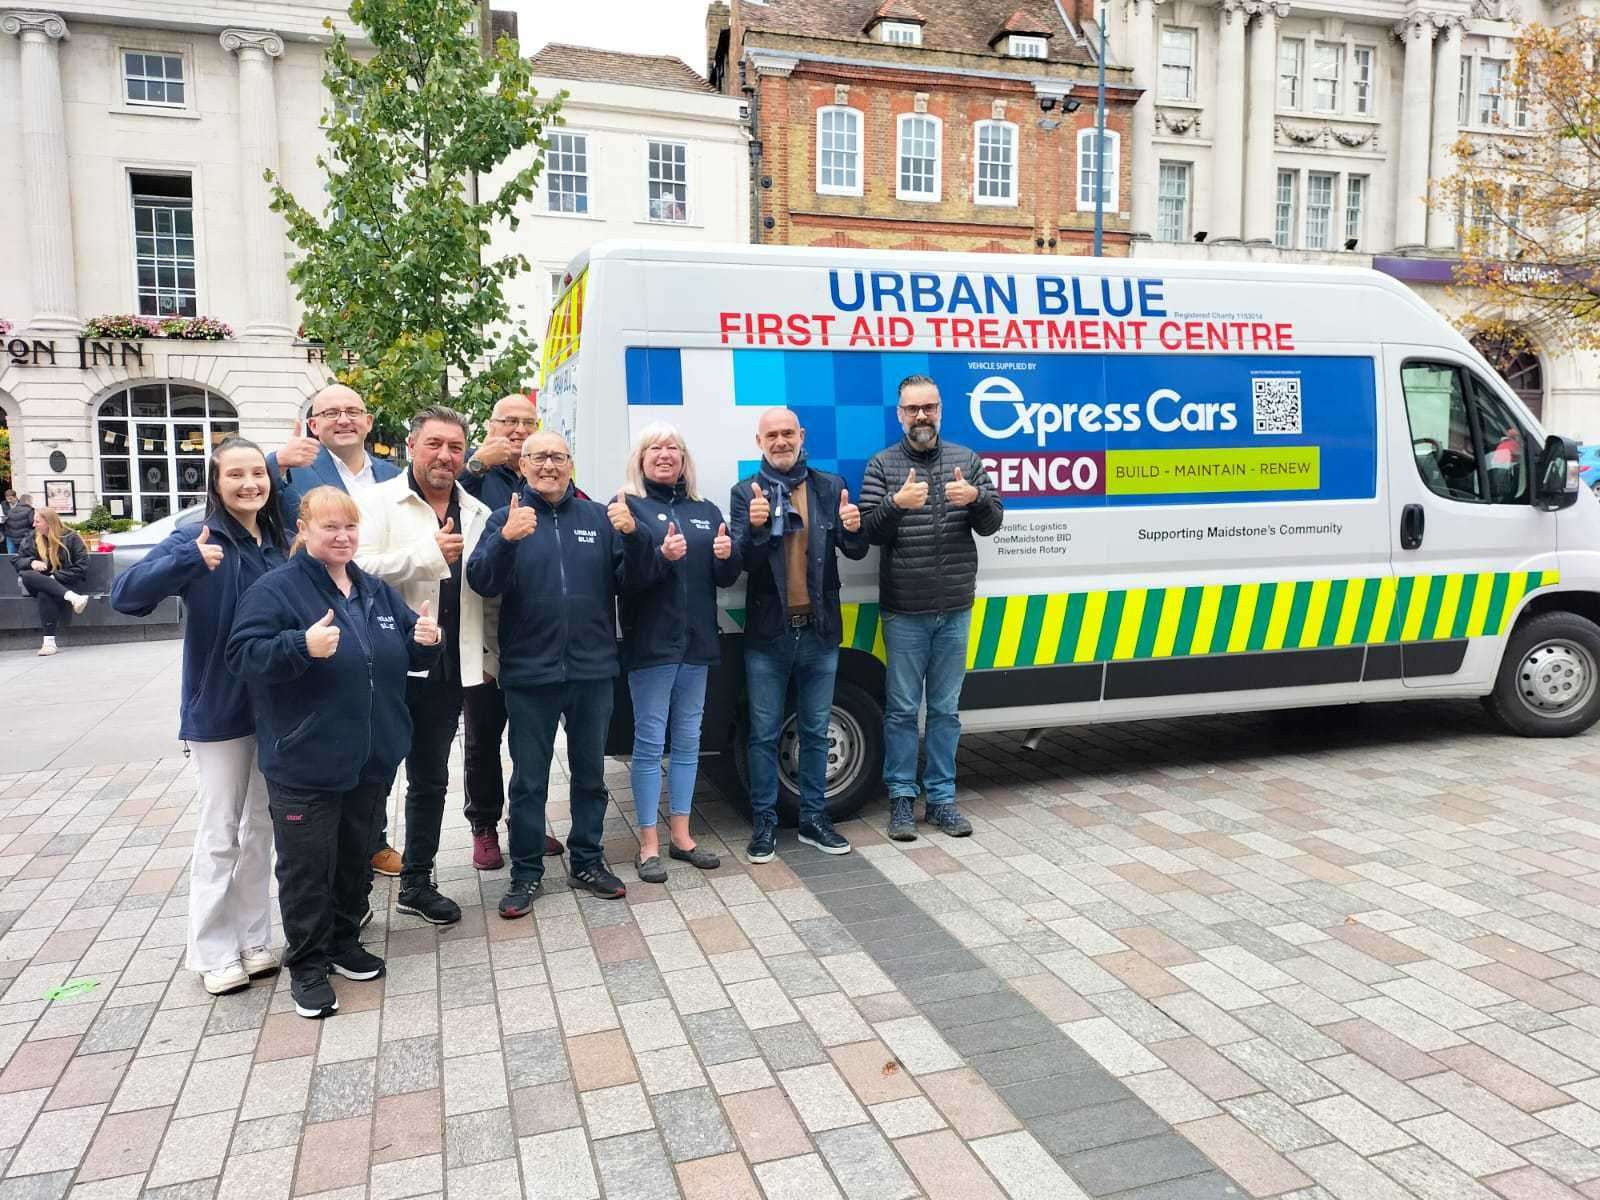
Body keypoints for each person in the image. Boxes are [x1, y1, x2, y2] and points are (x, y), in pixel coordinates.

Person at [227, 486, 440, 1019]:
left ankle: (344, 941)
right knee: (307, 869)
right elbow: (243, 656)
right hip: (307, 759)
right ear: (304, 529)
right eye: (330, 527)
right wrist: (301, 645)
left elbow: (395, 651)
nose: (342, 536)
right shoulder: (275, 590)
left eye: (349, 526)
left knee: (354, 860)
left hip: (371, 756)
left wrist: (424, 639)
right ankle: (307, 964)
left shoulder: (372, 588)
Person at [111, 438, 289, 995]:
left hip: (280, 705)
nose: (248, 484)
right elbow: (125, 596)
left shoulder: (280, 542)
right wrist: (188, 562)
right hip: (219, 708)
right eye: (234, 474)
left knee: (262, 828)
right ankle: (212, 950)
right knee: (220, 833)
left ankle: (255, 938)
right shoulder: (195, 537)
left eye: (257, 474)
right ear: (215, 484)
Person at [466, 430, 660, 917]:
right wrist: (506, 541)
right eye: (538, 457)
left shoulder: (598, 517)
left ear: (570, 463)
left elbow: (635, 581)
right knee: (529, 781)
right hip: (530, 673)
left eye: (557, 456)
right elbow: (481, 580)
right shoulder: (503, 518)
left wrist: (635, 537)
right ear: (524, 465)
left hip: (592, 670)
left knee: (590, 776)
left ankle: (588, 861)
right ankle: (527, 872)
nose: (548, 465)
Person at [355, 407, 497, 925]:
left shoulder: (476, 511)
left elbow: (482, 596)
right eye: (434, 444)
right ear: (410, 446)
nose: (445, 456)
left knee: (431, 778)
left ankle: (418, 880)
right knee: (370, 780)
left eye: (456, 447)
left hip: (447, 667)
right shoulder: (376, 503)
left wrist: (487, 658)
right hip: (385, 666)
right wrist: (426, 553)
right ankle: (352, 892)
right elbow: (355, 567)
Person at [859, 375, 1003, 841]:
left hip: (955, 608)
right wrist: (896, 505)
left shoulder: (967, 460)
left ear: (940, 410)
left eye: (929, 407)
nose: (921, 416)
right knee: (901, 710)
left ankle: (941, 800)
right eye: (912, 409)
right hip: (904, 611)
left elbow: (993, 523)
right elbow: (865, 535)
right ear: (899, 414)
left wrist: (977, 498)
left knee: (945, 711)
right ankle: (902, 800)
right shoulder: (882, 465)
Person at [268, 383, 404, 876]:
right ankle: (343, 848)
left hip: (387, 611)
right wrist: (272, 460)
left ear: (368, 421)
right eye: (331, 412)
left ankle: (374, 838)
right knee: (338, 732)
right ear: (314, 425)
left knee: (381, 733)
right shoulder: (295, 472)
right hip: (323, 616)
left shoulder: (391, 473)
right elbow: (238, 485)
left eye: (353, 411)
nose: (343, 419)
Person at [729, 408, 868, 864]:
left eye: (788, 432)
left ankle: (814, 820)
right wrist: (751, 529)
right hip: (768, 636)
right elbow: (737, 568)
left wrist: (854, 526)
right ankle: (764, 824)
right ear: (758, 441)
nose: (781, 441)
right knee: (764, 734)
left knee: (814, 731)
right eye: (772, 435)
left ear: (801, 435)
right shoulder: (744, 492)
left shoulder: (829, 487)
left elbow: (855, 548)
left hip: (820, 631)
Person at [616, 422, 742, 883]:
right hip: (651, 646)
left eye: (674, 448)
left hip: (698, 644)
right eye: (656, 448)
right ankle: (648, 844)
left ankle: (682, 836)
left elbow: (723, 579)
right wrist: (659, 558)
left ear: (684, 459)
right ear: (641, 458)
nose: (665, 454)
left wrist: (728, 556)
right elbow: (623, 581)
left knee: (688, 743)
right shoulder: (628, 508)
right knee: (649, 746)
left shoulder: (705, 509)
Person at [458, 393, 565, 866]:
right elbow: (443, 498)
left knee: (529, 734)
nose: (518, 429)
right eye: (509, 421)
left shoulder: (536, 475)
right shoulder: (477, 474)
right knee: (482, 733)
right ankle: (483, 824)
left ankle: (526, 821)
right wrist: (477, 463)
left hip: (527, 629)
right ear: (490, 425)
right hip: (479, 623)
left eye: (527, 422)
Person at [14, 507, 90, 656]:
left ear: (49, 522)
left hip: (64, 581)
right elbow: (17, 560)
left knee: (45, 593)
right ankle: (73, 598)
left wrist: (56, 577)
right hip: (38, 581)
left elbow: (82, 567)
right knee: (28, 575)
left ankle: (49, 643)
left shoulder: (71, 537)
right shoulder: (31, 538)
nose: (34, 525)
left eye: (37, 521)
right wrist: (31, 562)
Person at [5, 492, 36, 559]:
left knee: (12, 558)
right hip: (25, 539)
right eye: (31, 501)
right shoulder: (30, 510)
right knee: (25, 558)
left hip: (12, 539)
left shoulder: (10, 511)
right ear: (28, 501)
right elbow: (33, 524)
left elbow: (7, 525)